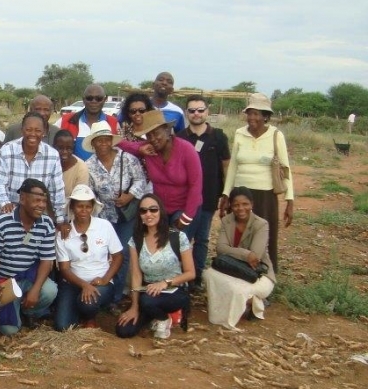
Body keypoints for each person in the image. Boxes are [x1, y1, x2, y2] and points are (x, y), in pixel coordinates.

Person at [221, 93, 293, 272]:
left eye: (257, 113)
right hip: (240, 194)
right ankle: (238, 272)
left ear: (266, 116)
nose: (252, 118)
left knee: (265, 238)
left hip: (264, 195)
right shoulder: (239, 133)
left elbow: (285, 169)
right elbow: (233, 166)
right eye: (250, 113)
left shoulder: (276, 135)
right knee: (238, 236)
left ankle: (266, 276)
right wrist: (226, 194)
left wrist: (290, 201)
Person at [116, 194, 196, 340]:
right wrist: (134, 307)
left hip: (174, 290)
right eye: (143, 211)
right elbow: (136, 275)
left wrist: (165, 283)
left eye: (153, 209)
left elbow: (191, 273)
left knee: (147, 301)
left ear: (161, 211)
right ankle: (155, 316)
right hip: (148, 292)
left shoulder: (178, 237)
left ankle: (165, 318)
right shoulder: (136, 240)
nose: (148, 214)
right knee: (124, 330)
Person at [85, 121, 146, 303]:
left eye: (106, 140)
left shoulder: (127, 158)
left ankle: (117, 297)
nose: (103, 144)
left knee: (124, 254)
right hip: (104, 217)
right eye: (99, 141)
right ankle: (104, 291)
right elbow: (90, 193)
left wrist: (129, 196)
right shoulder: (89, 166)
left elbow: (140, 180)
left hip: (126, 215)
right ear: (93, 143)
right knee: (105, 254)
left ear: (111, 141)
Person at [0, 178, 58, 335]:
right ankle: (16, 310)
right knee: (8, 330)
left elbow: (47, 260)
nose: (41, 205)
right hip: (6, 282)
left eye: (44, 201)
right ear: (22, 199)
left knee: (50, 290)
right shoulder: (2, 221)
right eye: (37, 200)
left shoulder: (46, 223)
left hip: (28, 277)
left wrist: (35, 289)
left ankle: (29, 313)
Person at [119, 110, 202, 238]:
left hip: (184, 208)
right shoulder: (149, 149)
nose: (153, 139)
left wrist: (186, 218)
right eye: (149, 135)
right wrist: (139, 148)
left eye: (156, 133)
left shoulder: (186, 149)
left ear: (168, 131)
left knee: (177, 248)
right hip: (160, 208)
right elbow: (123, 144)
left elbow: (196, 185)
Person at [202, 187, 275, 330]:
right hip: (233, 270)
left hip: (258, 274)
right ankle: (248, 302)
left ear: (252, 204)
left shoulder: (261, 224)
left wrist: (238, 253)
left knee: (237, 290)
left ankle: (253, 303)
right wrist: (246, 254)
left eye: (245, 204)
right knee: (208, 274)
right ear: (230, 206)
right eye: (236, 204)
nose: (240, 208)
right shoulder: (226, 221)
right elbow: (220, 249)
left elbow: (257, 255)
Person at [54, 184, 123, 331]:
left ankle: (89, 317)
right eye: (79, 206)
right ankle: (79, 310)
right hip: (72, 283)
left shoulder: (104, 226)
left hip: (100, 282)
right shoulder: (64, 232)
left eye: (87, 206)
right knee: (62, 326)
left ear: (92, 207)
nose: (84, 210)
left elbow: (117, 257)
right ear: (72, 207)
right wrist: (84, 285)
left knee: (87, 303)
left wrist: (105, 279)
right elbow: (64, 269)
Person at [178, 96, 230, 289]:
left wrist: (226, 194)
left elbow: (226, 166)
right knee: (183, 238)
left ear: (207, 112)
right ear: (187, 113)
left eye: (200, 110)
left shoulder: (218, 136)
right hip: (185, 200)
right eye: (192, 110)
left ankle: (196, 277)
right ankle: (183, 276)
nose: (196, 114)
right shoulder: (180, 138)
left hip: (208, 197)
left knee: (202, 239)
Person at [0, 112, 66, 230]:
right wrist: (5, 203)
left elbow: (56, 190)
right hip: (2, 211)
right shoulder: (7, 150)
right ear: (22, 130)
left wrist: (59, 218)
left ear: (43, 133)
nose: (33, 134)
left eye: (38, 130)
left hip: (33, 215)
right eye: (28, 129)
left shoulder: (52, 155)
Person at [60, 85, 119, 160]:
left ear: (105, 99)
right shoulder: (67, 120)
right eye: (89, 98)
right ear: (83, 99)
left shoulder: (113, 123)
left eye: (98, 98)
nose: (94, 101)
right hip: (76, 171)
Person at [53, 129, 89, 196]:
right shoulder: (48, 163)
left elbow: (80, 197)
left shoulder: (81, 168)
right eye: (60, 148)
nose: (65, 152)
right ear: (54, 147)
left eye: (69, 148)